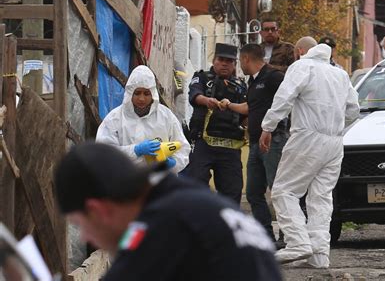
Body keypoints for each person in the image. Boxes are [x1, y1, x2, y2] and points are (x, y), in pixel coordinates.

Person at [54, 142, 282, 281]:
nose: (84, 237)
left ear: (97, 210)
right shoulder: (184, 197)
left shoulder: (161, 225)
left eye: (79, 224)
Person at [259, 44, 360, 267]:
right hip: (334, 142)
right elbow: (354, 109)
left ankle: (297, 243)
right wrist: (334, 126)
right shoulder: (340, 74)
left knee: (284, 191)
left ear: (301, 52)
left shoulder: (302, 66)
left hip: (307, 137)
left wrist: (268, 127)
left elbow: (285, 97)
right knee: (321, 198)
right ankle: (319, 254)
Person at [218, 43, 288, 244]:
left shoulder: (274, 77)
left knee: (278, 189)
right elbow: (250, 107)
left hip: (274, 141)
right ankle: (266, 236)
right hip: (256, 142)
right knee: (253, 192)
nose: (240, 65)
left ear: (247, 59)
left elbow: (288, 100)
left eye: (240, 61)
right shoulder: (253, 82)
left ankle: (287, 235)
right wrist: (229, 104)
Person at [182, 43, 247, 204]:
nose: (225, 64)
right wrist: (207, 101)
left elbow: (247, 111)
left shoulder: (241, 85)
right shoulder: (202, 77)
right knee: (196, 185)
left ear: (235, 64)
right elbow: (194, 96)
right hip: (203, 144)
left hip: (230, 146)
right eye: (221, 59)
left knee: (232, 192)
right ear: (214, 60)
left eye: (229, 61)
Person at [96, 65, 190, 173]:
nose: (141, 98)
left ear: (153, 94)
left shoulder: (166, 117)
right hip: (125, 182)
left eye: (146, 93)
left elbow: (183, 149)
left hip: (159, 183)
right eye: (137, 93)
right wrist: (135, 150)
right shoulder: (114, 119)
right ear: (130, 93)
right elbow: (104, 153)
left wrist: (173, 163)